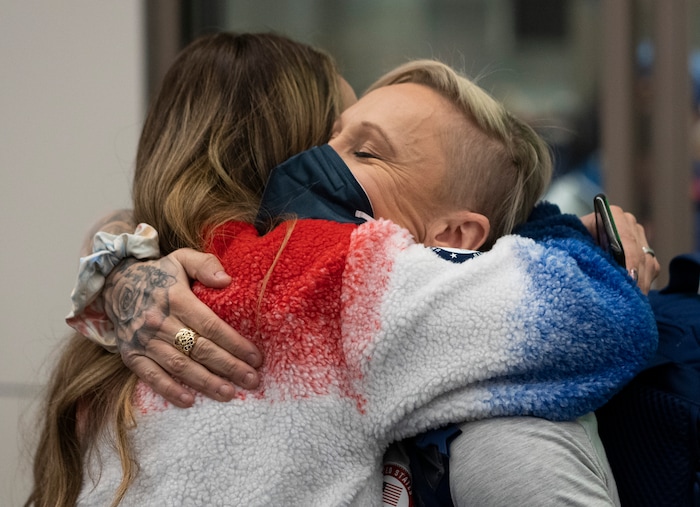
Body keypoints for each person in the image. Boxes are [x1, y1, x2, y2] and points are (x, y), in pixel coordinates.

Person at [52, 39, 656, 505]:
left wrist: (116, 267)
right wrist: (548, 229)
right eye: (331, 136)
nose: (315, 163)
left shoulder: (147, 292)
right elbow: (599, 316)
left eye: (362, 150)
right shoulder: (342, 279)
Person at [26, 31, 352, 507]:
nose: (355, 164)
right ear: (294, 153)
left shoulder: (127, 308)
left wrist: (115, 264)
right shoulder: (299, 291)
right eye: (346, 143)